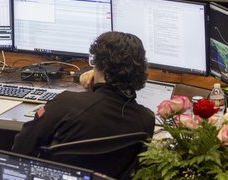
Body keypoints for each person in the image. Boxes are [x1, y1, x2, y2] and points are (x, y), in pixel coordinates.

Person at [12, 32, 155, 169]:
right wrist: (96, 90)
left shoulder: (66, 103)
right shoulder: (146, 119)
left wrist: (93, 91)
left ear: (101, 66)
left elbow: (22, 147)